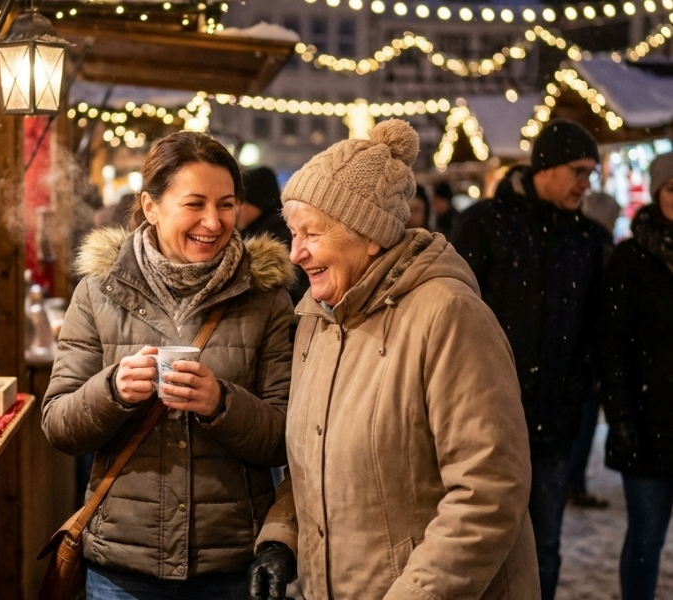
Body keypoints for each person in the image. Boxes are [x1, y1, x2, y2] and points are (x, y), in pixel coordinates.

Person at [248, 119, 539, 599]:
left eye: (312, 234)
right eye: (292, 232)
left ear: (370, 235)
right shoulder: (317, 320)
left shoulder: (448, 315)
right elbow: (314, 461)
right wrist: (283, 536)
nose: (295, 252)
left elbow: (488, 491)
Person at [41, 131, 296, 599]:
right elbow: (59, 424)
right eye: (194, 203)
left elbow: (284, 437)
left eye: (226, 204)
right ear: (151, 206)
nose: (213, 221)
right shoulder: (98, 293)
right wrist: (113, 390)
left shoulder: (267, 299)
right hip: (122, 567)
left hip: (231, 565)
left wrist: (222, 404)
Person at [450, 118, 610, 600]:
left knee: (545, 545)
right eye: (578, 171)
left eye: (591, 173)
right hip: (485, 417)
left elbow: (593, 324)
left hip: (555, 419)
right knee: (480, 542)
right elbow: (452, 309)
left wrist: (579, 384)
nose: (586, 183)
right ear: (545, 167)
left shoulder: (587, 238)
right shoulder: (487, 223)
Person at [601, 151, 673, 600]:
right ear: (658, 193)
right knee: (647, 537)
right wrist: (622, 416)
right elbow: (614, 343)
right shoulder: (632, 258)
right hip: (648, 421)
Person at [566, 191, 620, 510]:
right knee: (582, 425)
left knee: (580, 425)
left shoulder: (578, 244)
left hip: (578, 354)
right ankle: (574, 483)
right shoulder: (597, 247)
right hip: (587, 356)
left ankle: (573, 483)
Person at [240, 166, 309, 307]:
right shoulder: (244, 233)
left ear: (257, 201)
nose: (235, 209)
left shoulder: (282, 238)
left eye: (241, 202)